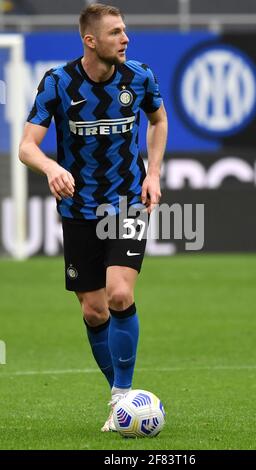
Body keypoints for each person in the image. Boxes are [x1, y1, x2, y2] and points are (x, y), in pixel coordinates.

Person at [19, 3, 167, 432]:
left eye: (125, 30)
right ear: (91, 40)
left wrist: (153, 173)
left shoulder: (139, 77)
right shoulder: (58, 82)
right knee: (94, 311)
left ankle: (124, 397)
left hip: (126, 202)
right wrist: (51, 167)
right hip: (78, 210)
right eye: (116, 32)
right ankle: (119, 398)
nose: (126, 38)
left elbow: (158, 120)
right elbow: (27, 145)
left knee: (120, 294)